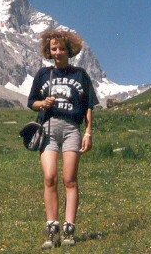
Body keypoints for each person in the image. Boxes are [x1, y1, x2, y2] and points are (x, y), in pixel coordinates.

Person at [27, 28, 99, 249]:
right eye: (53, 49)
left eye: (60, 48)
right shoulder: (42, 75)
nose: (57, 52)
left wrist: (88, 132)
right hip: (48, 128)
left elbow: (88, 106)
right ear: (49, 52)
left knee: (70, 179)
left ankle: (69, 228)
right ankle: (51, 228)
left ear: (69, 49)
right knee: (50, 178)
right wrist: (43, 104)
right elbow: (31, 103)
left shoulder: (80, 75)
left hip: (71, 130)